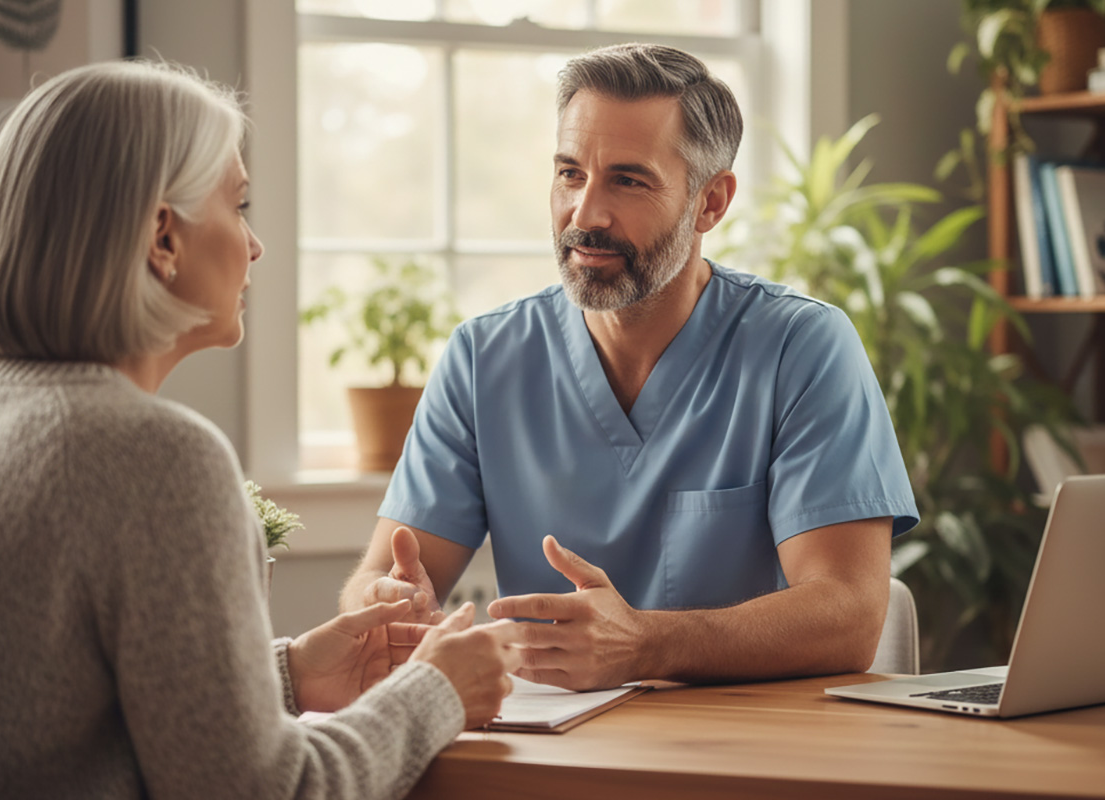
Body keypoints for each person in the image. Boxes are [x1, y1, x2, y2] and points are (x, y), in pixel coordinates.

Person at [0, 61, 522, 800]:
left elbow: (65, 721)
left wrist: (287, 674)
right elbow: (271, 791)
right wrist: (436, 690)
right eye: (239, 205)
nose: (254, 246)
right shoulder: (158, 459)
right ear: (164, 237)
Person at [341, 43, 919, 691]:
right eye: (569, 174)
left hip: (750, 750)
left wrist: (645, 645)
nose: (585, 216)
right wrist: (386, 603)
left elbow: (850, 614)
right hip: (551, 752)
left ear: (710, 202)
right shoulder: (482, 358)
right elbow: (385, 575)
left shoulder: (802, 347)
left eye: (629, 180)